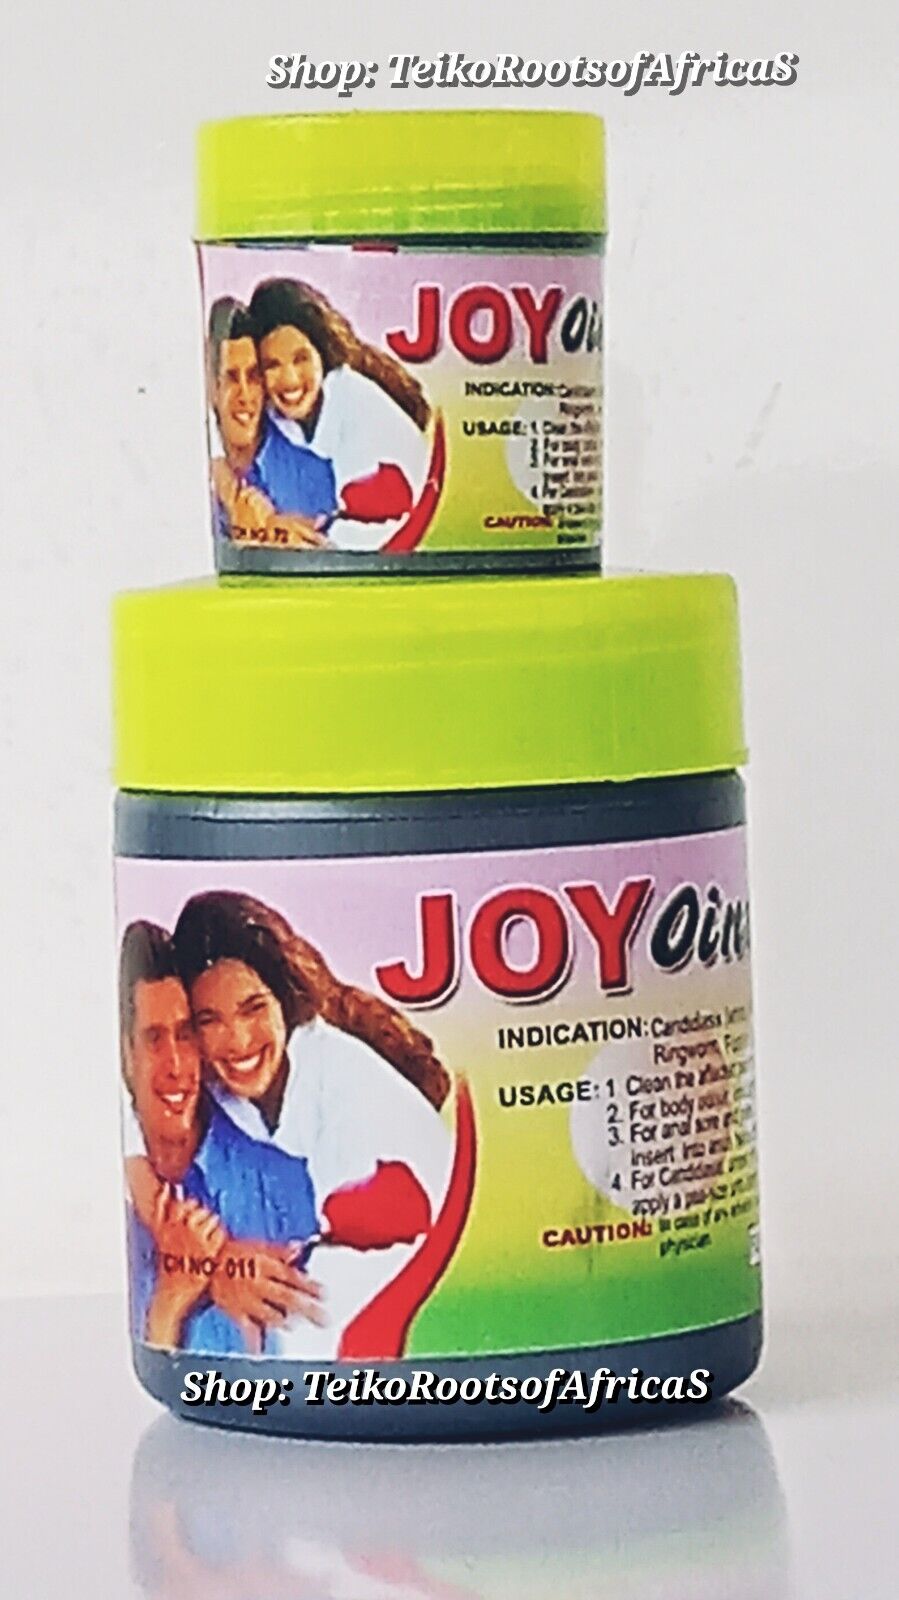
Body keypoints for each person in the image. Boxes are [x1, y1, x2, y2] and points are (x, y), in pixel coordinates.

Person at [171, 891, 454, 1358]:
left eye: (253, 1008)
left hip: (421, 1311)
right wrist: (216, 1264)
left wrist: (220, 1279)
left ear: (283, 1001)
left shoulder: (348, 1090)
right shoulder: (221, 1089)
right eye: (209, 1020)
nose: (237, 1040)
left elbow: (318, 1306)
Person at [119, 921, 326, 1354]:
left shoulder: (278, 1181)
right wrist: (177, 1292)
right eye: (154, 1039)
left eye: (187, 1034)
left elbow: (319, 1347)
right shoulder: (113, 1188)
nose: (176, 1065)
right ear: (126, 1051)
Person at [244, 278, 434, 552]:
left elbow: (380, 528)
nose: (289, 379)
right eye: (272, 365)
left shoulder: (357, 405)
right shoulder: (278, 414)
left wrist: (298, 530)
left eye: (301, 359)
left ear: (322, 355)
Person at [205, 296, 337, 548]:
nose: (245, 395)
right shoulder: (196, 473)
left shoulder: (313, 475)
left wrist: (266, 534)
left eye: (253, 376)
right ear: (211, 386)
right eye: (231, 377)